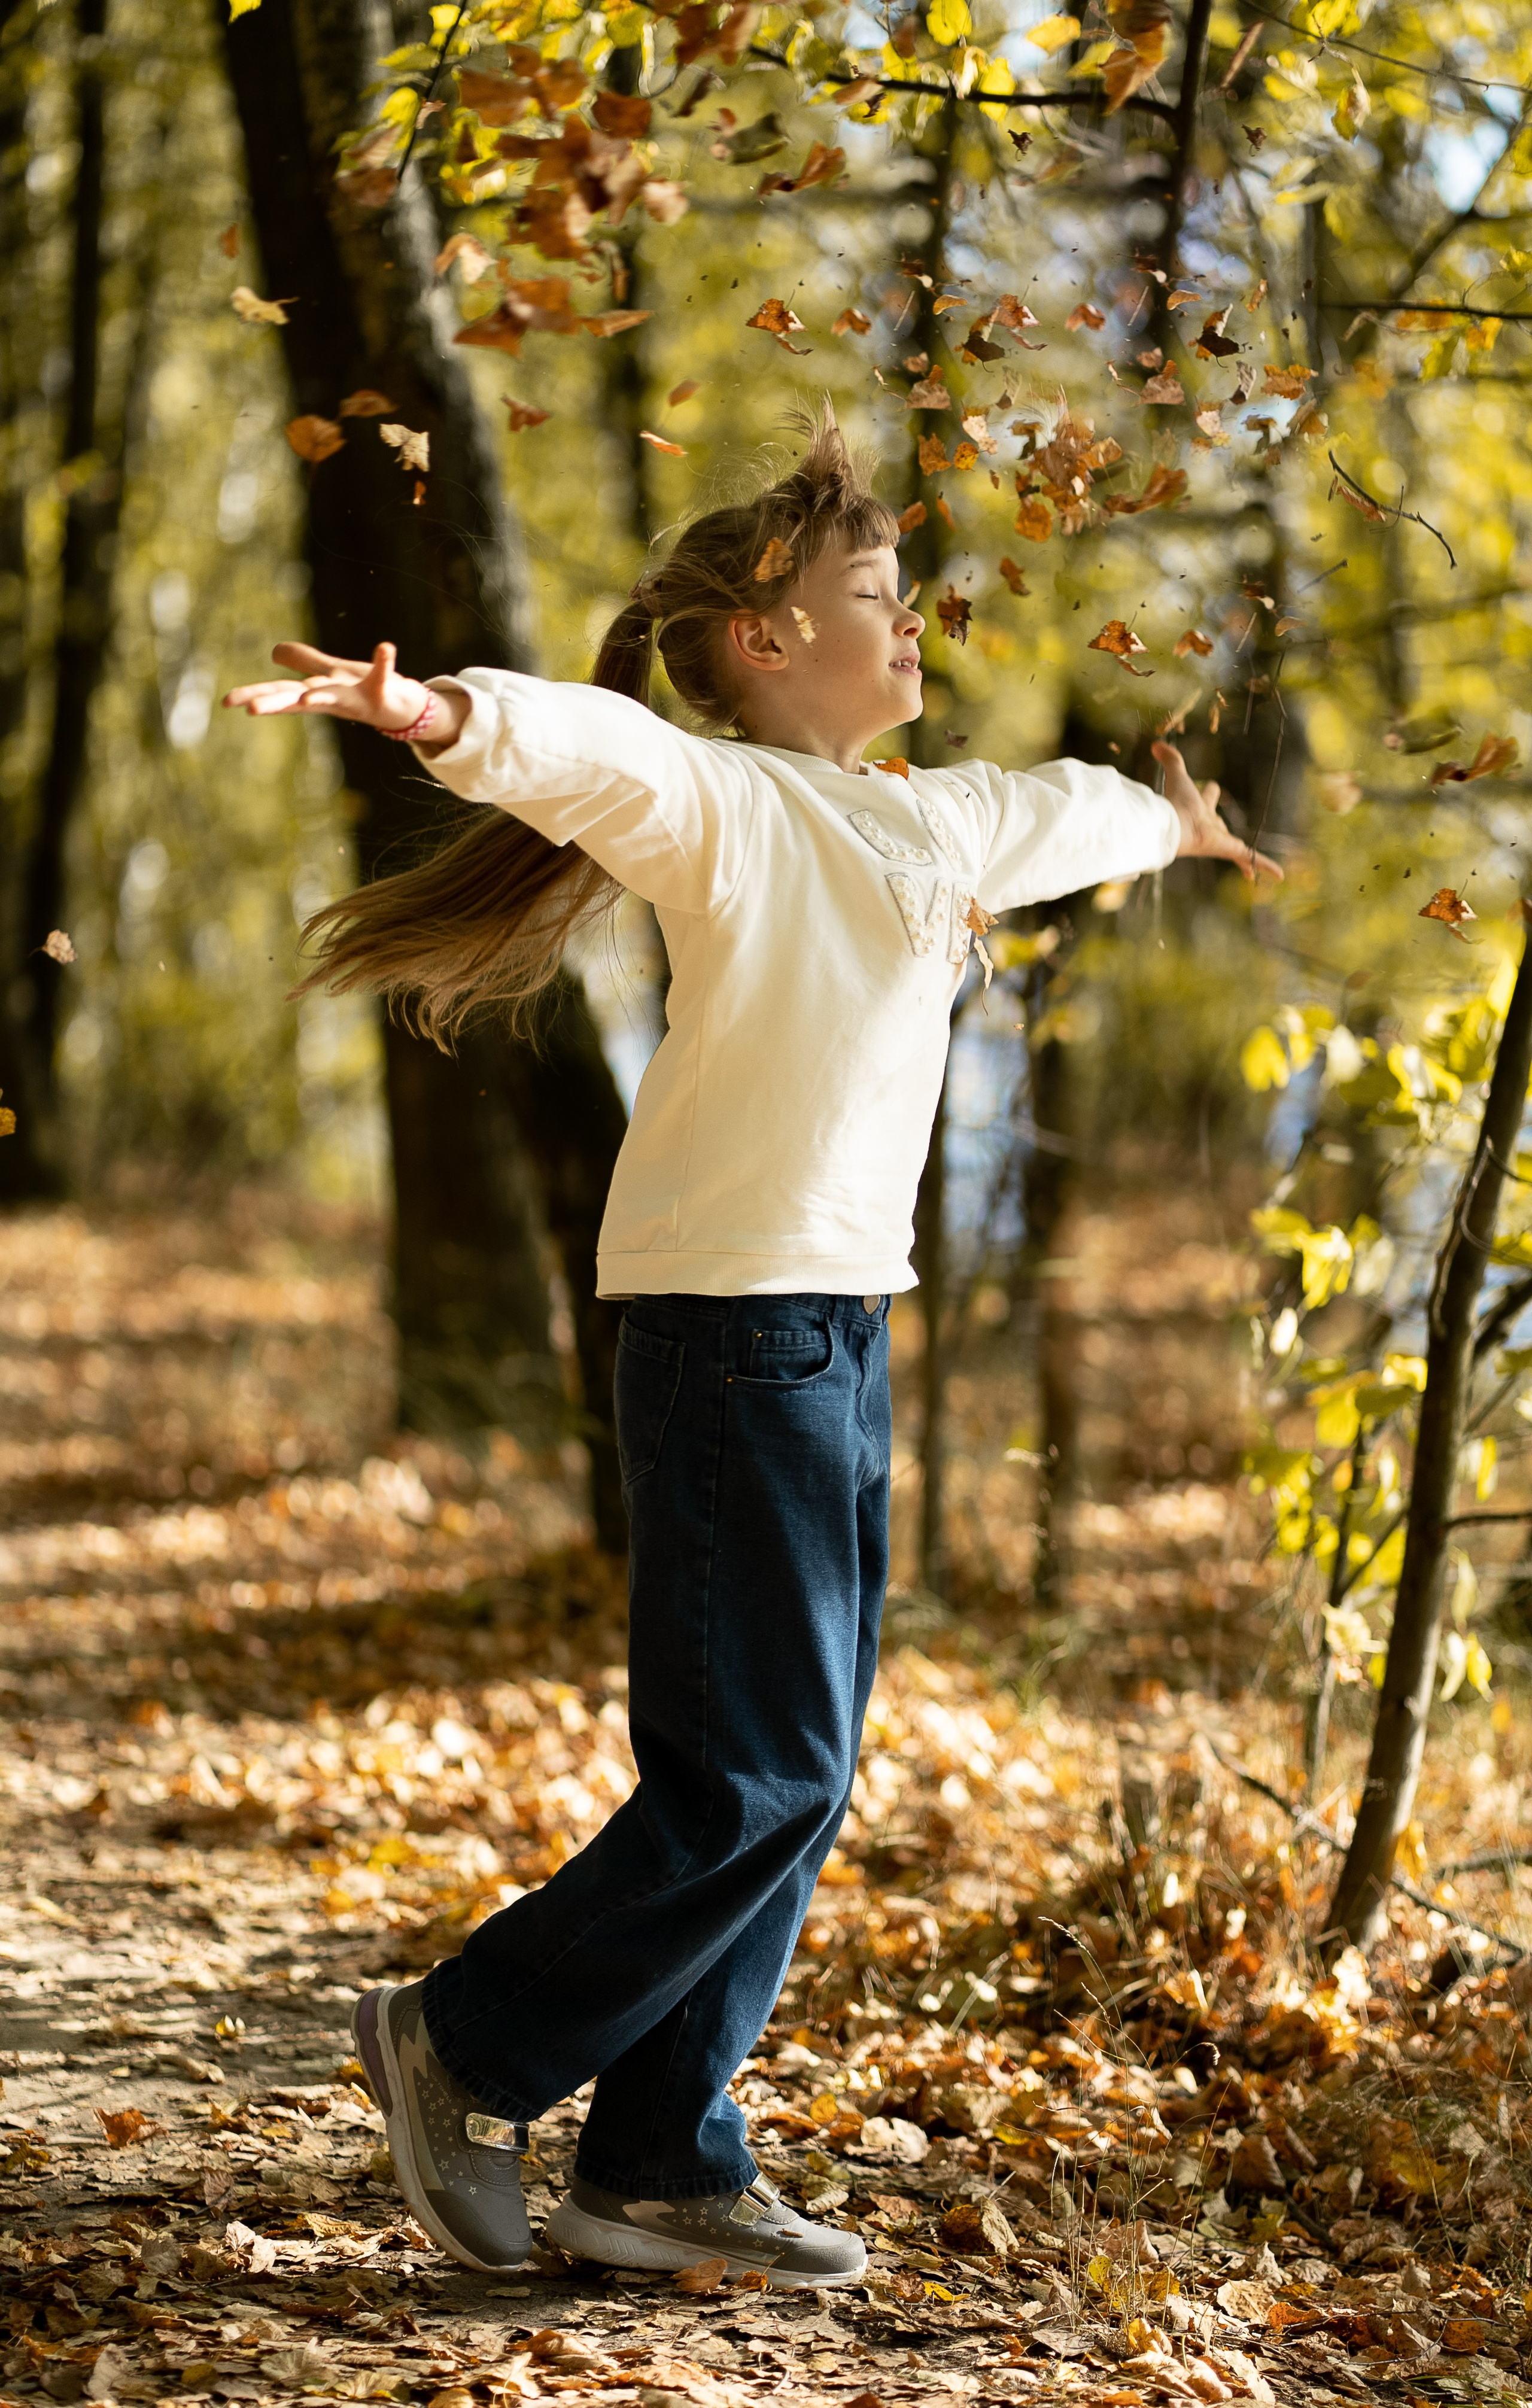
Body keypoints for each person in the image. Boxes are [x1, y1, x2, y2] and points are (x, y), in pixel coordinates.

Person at [223, 405, 1278, 2290]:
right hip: (731, 1329)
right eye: (875, 596)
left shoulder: (925, 817)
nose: (912, 622)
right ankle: (464, 2041)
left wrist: (1171, 824)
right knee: (754, 1777)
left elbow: (1056, 810)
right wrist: (443, 716)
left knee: (803, 1772)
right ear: (769, 642)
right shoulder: (734, 804)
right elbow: (601, 752)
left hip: (835, 1331)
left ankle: (659, 2159)